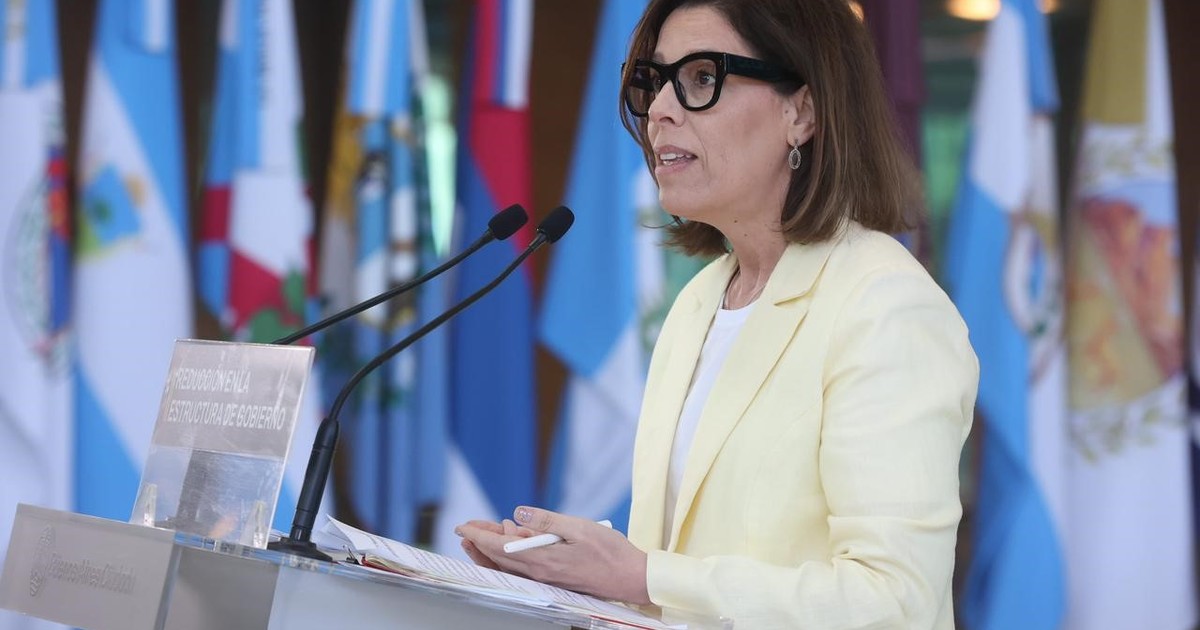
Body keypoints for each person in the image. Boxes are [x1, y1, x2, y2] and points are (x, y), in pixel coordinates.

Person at [456, 0, 978, 627]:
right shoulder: (699, 303)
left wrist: (639, 574)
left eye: (702, 77)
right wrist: (565, 579)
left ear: (802, 112)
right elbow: (678, 588)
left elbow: (894, 601)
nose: (660, 109)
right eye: (653, 81)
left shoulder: (886, 307)